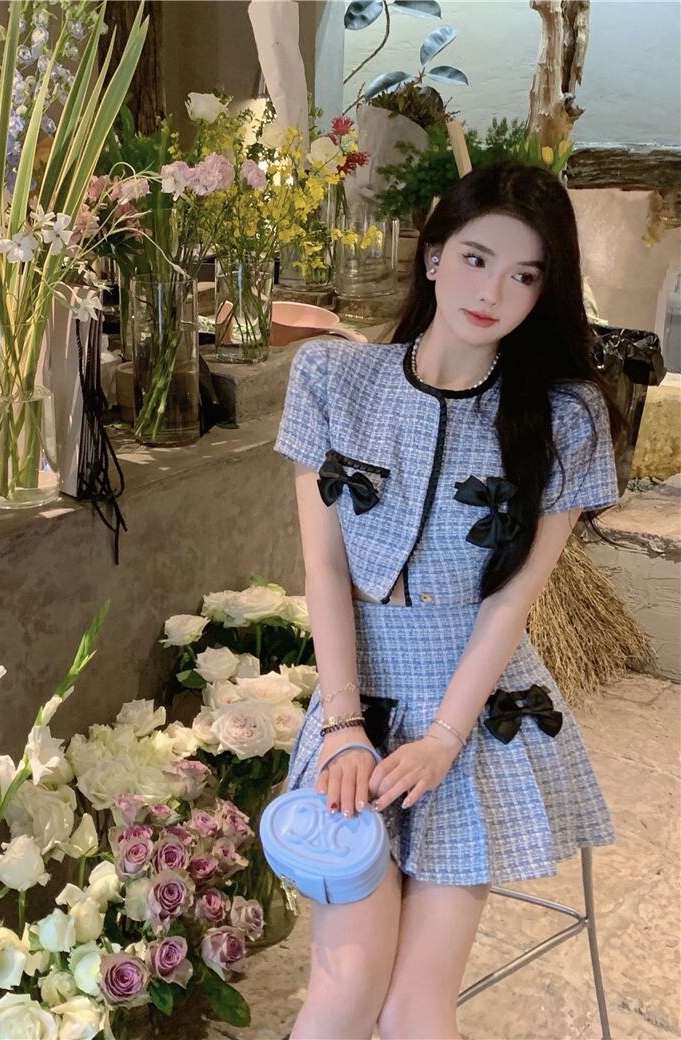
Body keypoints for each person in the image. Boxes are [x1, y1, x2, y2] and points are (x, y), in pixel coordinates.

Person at [272, 159, 626, 1040]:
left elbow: (513, 602)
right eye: (475, 259)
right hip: (356, 703)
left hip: (473, 705)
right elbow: (324, 571)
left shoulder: (567, 416)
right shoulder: (330, 378)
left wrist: (443, 738)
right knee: (347, 988)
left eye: (525, 275)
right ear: (433, 256)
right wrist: (343, 725)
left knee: (412, 1013)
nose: (493, 292)